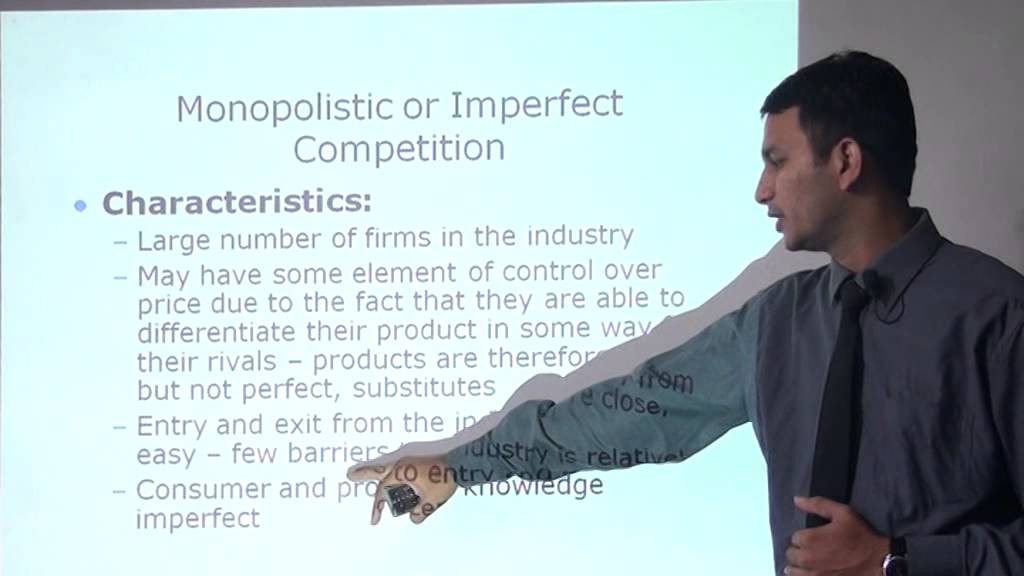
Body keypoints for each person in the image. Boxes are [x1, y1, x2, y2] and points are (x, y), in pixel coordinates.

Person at [349, 50, 1024, 576]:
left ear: (845, 160)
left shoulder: (998, 315)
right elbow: (630, 412)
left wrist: (896, 561)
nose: (761, 190)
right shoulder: (776, 324)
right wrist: (460, 465)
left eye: (777, 161)